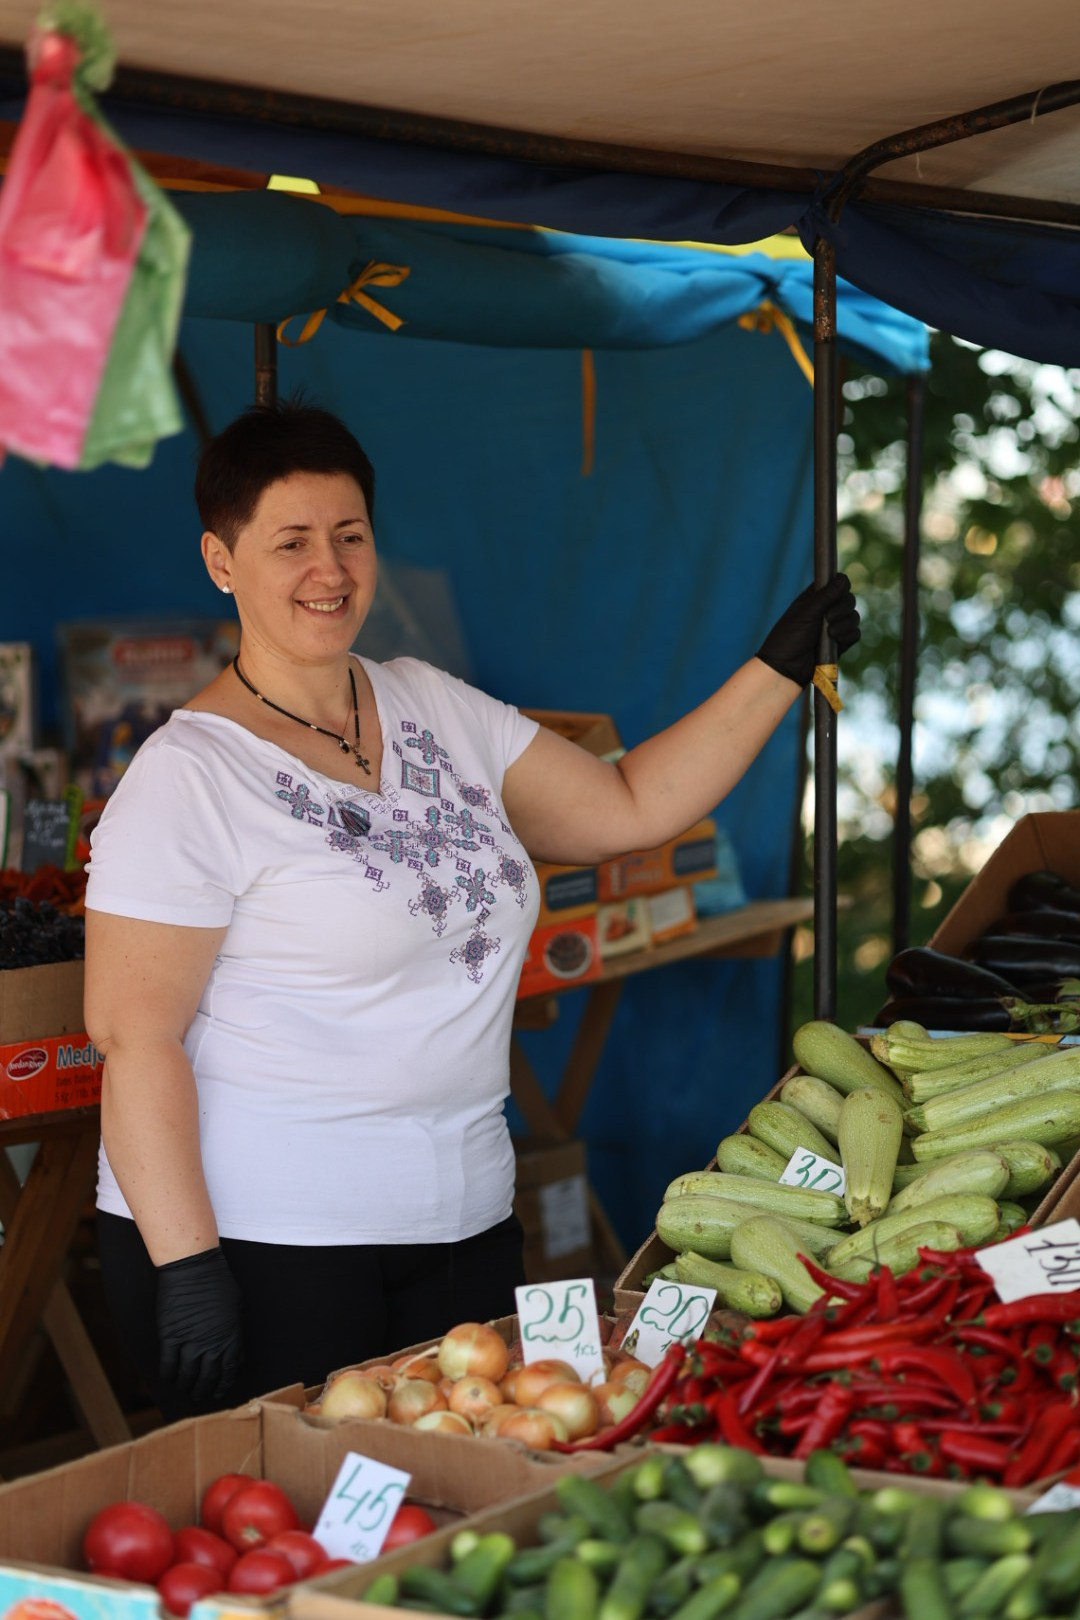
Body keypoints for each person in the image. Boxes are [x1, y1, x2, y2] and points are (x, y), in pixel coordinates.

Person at [83, 399, 860, 1420]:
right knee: (311, 1531)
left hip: (464, 1220)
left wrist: (778, 669)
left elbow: (627, 808)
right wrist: (184, 1265)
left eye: (350, 536)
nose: (330, 570)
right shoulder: (188, 775)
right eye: (292, 543)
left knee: (462, 1504)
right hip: (272, 1243)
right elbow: (133, 1038)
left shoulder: (426, 703)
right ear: (222, 561)